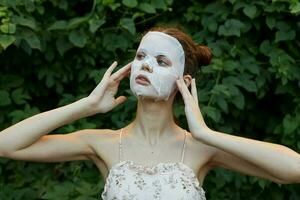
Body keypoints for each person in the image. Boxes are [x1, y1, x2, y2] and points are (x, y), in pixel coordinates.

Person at [0, 26, 299, 200]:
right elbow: (6, 145)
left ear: (184, 82)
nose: (145, 65)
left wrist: (207, 134)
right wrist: (86, 105)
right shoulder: (101, 142)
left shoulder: (202, 148)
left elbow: (294, 170)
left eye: (161, 61)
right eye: (141, 56)